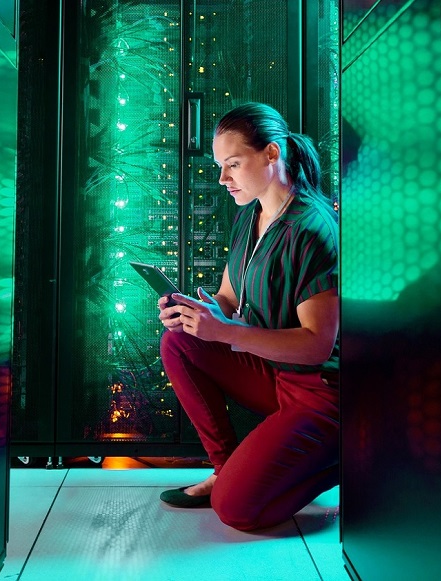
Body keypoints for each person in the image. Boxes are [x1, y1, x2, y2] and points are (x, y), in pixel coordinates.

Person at [157, 102, 340, 531]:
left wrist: (227, 334)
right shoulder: (249, 215)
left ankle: (344, 458)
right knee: (179, 340)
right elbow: (226, 296)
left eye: (233, 164)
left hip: (319, 390)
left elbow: (317, 344)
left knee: (237, 510)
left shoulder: (312, 229)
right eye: (221, 166)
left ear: (272, 154)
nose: (223, 178)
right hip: (273, 373)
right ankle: (224, 468)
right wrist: (199, 311)